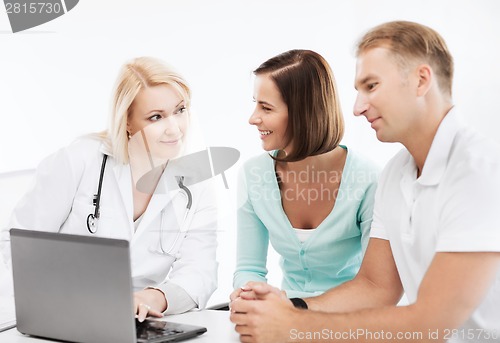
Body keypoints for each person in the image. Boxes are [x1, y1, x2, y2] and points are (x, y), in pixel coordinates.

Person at [230, 21, 500, 343]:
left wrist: (293, 326)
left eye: (371, 86)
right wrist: (292, 307)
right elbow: (376, 286)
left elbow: (432, 322)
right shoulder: (395, 173)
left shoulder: (479, 171)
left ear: (420, 80)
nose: (357, 108)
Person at [0, 56, 218, 321]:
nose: (174, 129)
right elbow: (18, 243)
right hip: (62, 310)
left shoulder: (196, 183)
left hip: (138, 320)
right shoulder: (80, 160)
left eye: (180, 110)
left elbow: (200, 271)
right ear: (127, 122)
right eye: (156, 117)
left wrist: (152, 298)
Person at [231, 49, 379, 301]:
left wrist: (298, 310)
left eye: (266, 107)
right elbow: (249, 268)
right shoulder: (253, 174)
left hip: (349, 318)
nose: (253, 118)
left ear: (304, 113)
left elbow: (375, 285)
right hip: (283, 314)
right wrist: (248, 295)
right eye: (255, 104)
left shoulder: (368, 180)